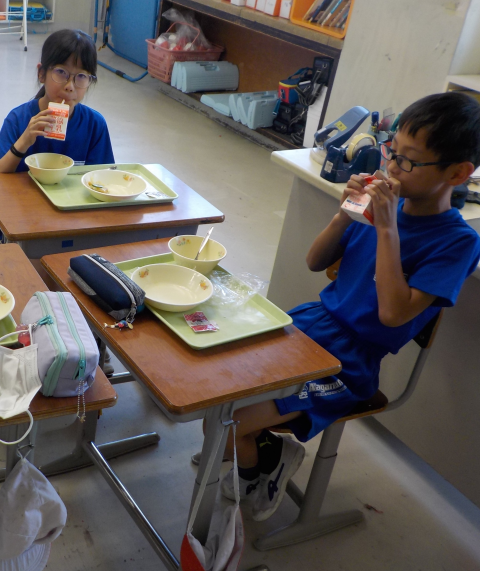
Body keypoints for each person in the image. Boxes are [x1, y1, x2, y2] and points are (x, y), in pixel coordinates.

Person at [204, 92, 480, 523]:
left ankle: (261, 468)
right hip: (311, 322)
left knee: (233, 422)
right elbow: (315, 261)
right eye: (392, 151)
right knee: (211, 389)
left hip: (349, 362)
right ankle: (263, 448)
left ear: (458, 173)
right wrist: (344, 214)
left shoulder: (457, 242)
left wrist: (387, 228)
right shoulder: (382, 207)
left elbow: (393, 314)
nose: (393, 167)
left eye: (409, 161)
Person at [0, 29, 114, 244]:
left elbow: (103, 184)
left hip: (73, 225)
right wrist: (23, 142)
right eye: (61, 72)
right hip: (21, 226)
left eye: (81, 77)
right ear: (42, 74)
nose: (70, 86)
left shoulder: (94, 125)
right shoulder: (19, 119)